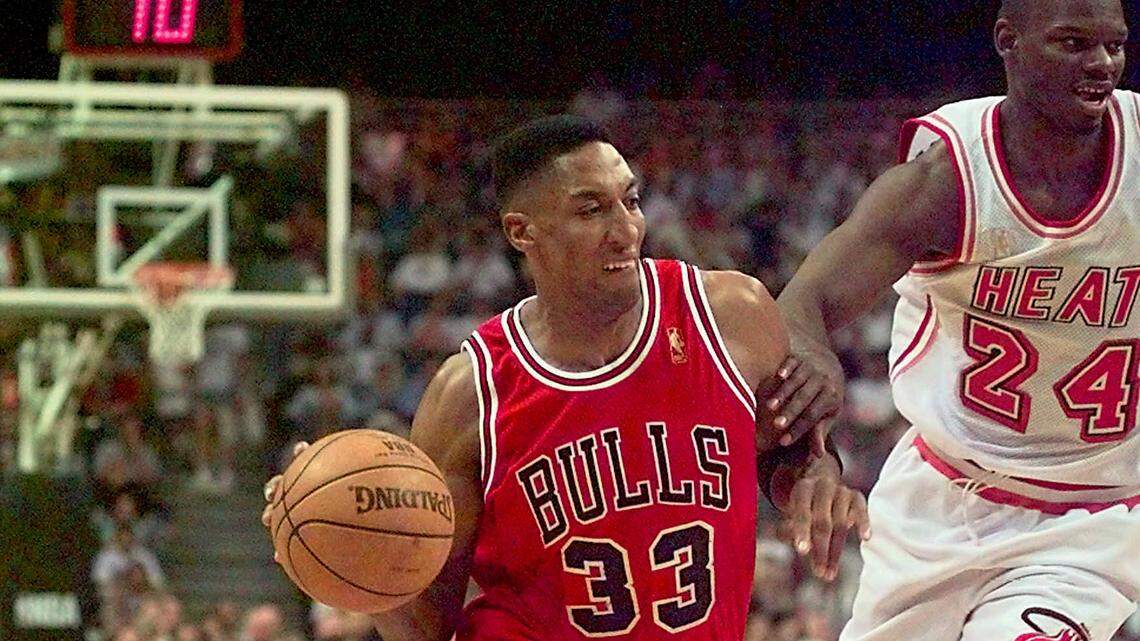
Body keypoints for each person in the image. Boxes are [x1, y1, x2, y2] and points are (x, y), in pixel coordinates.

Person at [263, 115, 869, 640]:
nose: (627, 228)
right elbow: (427, 626)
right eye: (591, 209)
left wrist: (817, 476)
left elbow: (788, 450)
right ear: (522, 232)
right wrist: (363, 566)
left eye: (629, 200)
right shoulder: (472, 394)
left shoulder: (730, 315)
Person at [767, 1, 1140, 639]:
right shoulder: (947, 182)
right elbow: (802, 308)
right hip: (938, 498)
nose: (1100, 64)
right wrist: (810, 456)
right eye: (1074, 43)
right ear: (1008, 42)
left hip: (1089, 517)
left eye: (1114, 45)